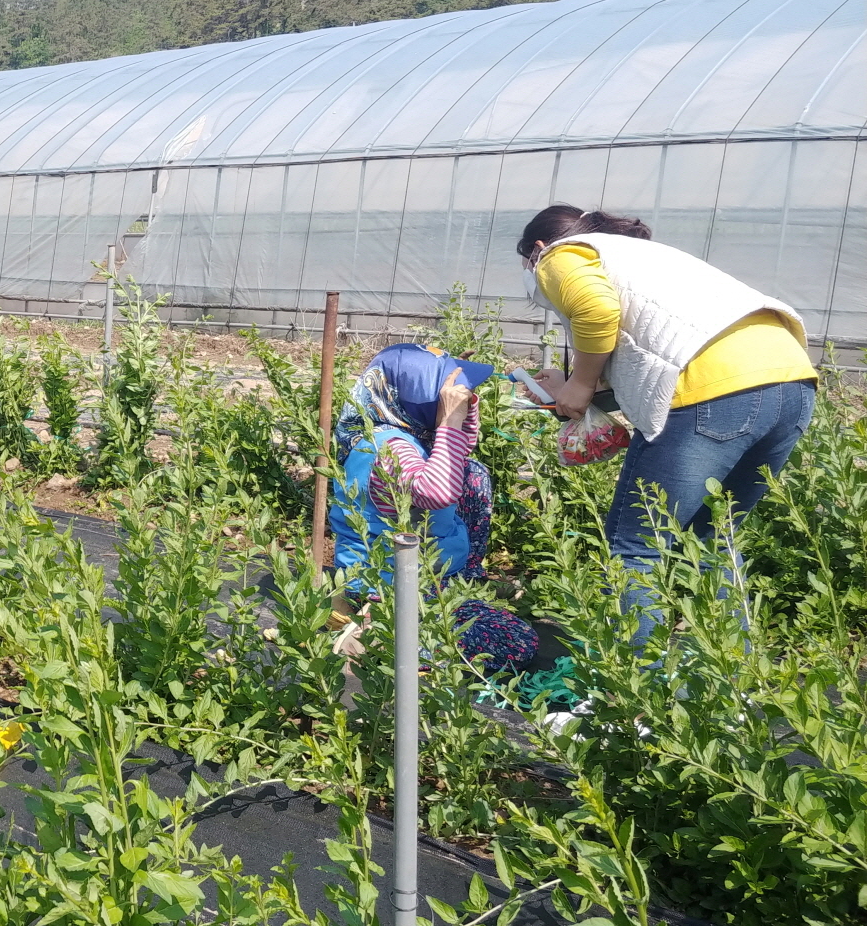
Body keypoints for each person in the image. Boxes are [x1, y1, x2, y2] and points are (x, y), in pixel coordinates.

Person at [518, 204, 817, 639]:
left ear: (538, 248)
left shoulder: (562, 254)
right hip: (792, 381)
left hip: (713, 391)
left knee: (639, 549)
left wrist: (580, 387)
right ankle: (734, 692)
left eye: (527, 261)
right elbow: (657, 346)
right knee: (712, 542)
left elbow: (597, 311)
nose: (531, 272)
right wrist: (573, 383)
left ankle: (634, 700)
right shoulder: (642, 256)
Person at [329, 343, 539, 673]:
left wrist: (460, 409)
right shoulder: (391, 449)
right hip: (387, 585)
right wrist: (449, 418)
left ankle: (458, 584)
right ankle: (380, 637)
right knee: (516, 641)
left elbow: (459, 449)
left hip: (423, 571)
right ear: (422, 402)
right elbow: (438, 492)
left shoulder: (402, 428)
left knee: (472, 474)